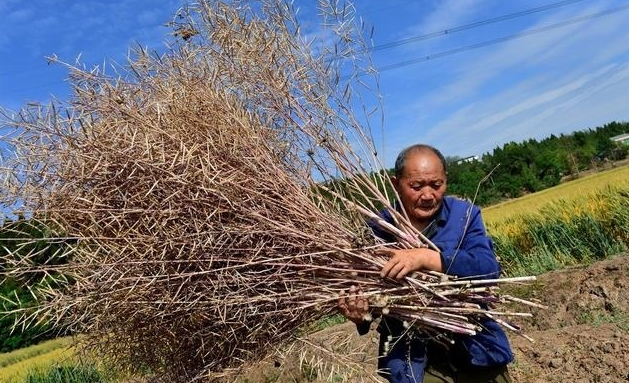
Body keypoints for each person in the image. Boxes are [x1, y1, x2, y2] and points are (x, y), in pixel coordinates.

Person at [338, 144, 513, 383]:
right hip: (412, 360)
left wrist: (426, 258)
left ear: (446, 179)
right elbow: (363, 293)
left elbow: (488, 269)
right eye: (417, 186)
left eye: (436, 184)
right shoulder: (376, 231)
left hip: (477, 349)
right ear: (396, 183)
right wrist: (360, 313)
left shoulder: (464, 215)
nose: (428, 195)